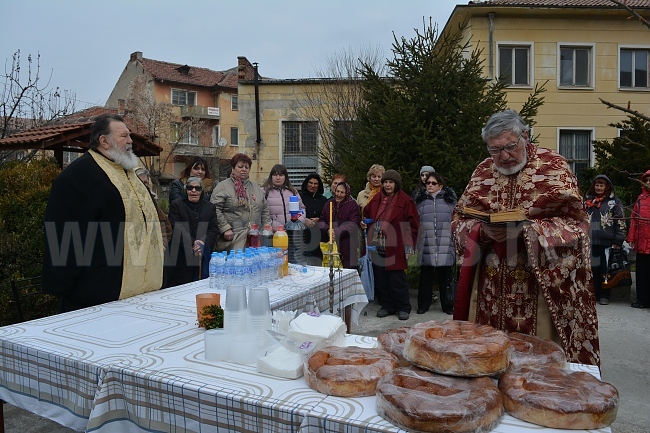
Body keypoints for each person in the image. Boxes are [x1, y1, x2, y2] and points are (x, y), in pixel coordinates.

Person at [451, 109, 600, 366]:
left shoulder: (553, 166)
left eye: (510, 146)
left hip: (539, 286)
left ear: (526, 136)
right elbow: (458, 220)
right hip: (489, 289)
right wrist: (481, 231)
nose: (504, 156)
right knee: (489, 359)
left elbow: (577, 225)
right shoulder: (483, 171)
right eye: (495, 150)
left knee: (537, 368)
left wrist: (528, 231)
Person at [42, 114, 165, 311]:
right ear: (104, 141)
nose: (130, 141)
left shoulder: (129, 172)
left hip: (139, 292)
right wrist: (66, 287)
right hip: (97, 295)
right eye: (124, 136)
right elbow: (64, 236)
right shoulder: (77, 177)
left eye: (130, 136)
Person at [362, 169, 419, 321]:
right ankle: (387, 305)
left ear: (396, 184)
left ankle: (403, 307)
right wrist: (364, 222)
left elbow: (412, 225)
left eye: (390, 182)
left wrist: (409, 246)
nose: (387, 185)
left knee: (396, 278)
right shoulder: (377, 199)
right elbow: (366, 213)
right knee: (381, 278)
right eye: (385, 182)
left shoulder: (405, 201)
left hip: (397, 245)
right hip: (377, 243)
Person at [414, 172, 457, 315]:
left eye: (433, 183)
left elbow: (456, 221)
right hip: (426, 242)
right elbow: (414, 223)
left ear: (440, 186)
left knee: (445, 276)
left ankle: (447, 305)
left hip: (445, 241)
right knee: (426, 276)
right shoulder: (420, 201)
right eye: (428, 183)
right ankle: (423, 304)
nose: (430, 185)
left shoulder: (450, 201)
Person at [210, 153, 270, 252]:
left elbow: (264, 209)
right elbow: (214, 209)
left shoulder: (256, 187)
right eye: (240, 166)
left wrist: (266, 228)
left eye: (247, 167)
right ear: (233, 168)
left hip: (255, 237)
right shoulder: (223, 187)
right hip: (232, 238)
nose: (244, 169)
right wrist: (225, 228)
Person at [166, 177, 219, 286]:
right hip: (181, 257)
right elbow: (176, 227)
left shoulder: (210, 207)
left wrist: (203, 242)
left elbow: (213, 229)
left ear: (201, 191)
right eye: (190, 188)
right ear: (186, 190)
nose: (193, 191)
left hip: (203, 255)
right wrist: (193, 243)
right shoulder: (176, 205)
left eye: (197, 188)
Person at [584, 175, 626, 306]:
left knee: (605, 270)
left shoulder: (614, 203)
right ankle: (594, 294)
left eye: (601, 185)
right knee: (593, 269)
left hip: (607, 242)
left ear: (607, 187)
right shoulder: (587, 202)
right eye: (597, 185)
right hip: (591, 241)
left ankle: (605, 295)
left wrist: (618, 241)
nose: (599, 188)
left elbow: (621, 223)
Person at [319, 182, 361, 269]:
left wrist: (336, 232)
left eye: (342, 192)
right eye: (337, 191)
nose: (338, 194)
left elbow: (353, 224)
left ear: (346, 194)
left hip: (347, 247)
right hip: (330, 245)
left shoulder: (353, 205)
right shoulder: (328, 204)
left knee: (347, 273)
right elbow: (322, 221)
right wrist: (327, 230)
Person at [627, 169, 650, 309]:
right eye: (646, 180)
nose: (648, 182)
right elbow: (634, 219)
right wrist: (631, 237)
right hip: (642, 243)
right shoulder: (640, 199)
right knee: (642, 274)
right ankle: (642, 300)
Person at [262, 164, 306, 230]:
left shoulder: (293, 192)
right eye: (275, 175)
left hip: (292, 231)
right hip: (273, 232)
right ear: (271, 177)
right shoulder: (264, 192)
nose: (278, 178)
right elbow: (260, 213)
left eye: (281, 175)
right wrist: (273, 225)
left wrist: (298, 221)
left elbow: (302, 209)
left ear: (285, 177)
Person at [300, 173, 328, 265]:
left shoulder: (323, 200)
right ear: (306, 183)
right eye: (310, 183)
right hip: (303, 237)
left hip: (318, 237)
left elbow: (326, 216)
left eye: (315, 184)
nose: (313, 186)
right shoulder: (300, 197)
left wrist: (319, 219)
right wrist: (305, 220)